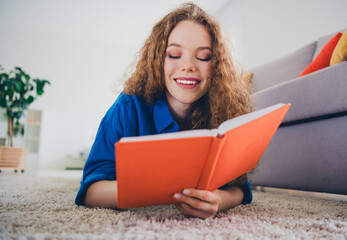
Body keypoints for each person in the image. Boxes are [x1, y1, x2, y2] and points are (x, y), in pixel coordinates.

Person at [75, 3, 253, 219]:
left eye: (203, 57)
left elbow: (240, 186)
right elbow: (90, 191)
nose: (187, 65)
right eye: (174, 54)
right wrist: (161, 191)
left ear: (216, 66)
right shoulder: (128, 107)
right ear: (158, 60)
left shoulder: (225, 110)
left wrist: (220, 200)